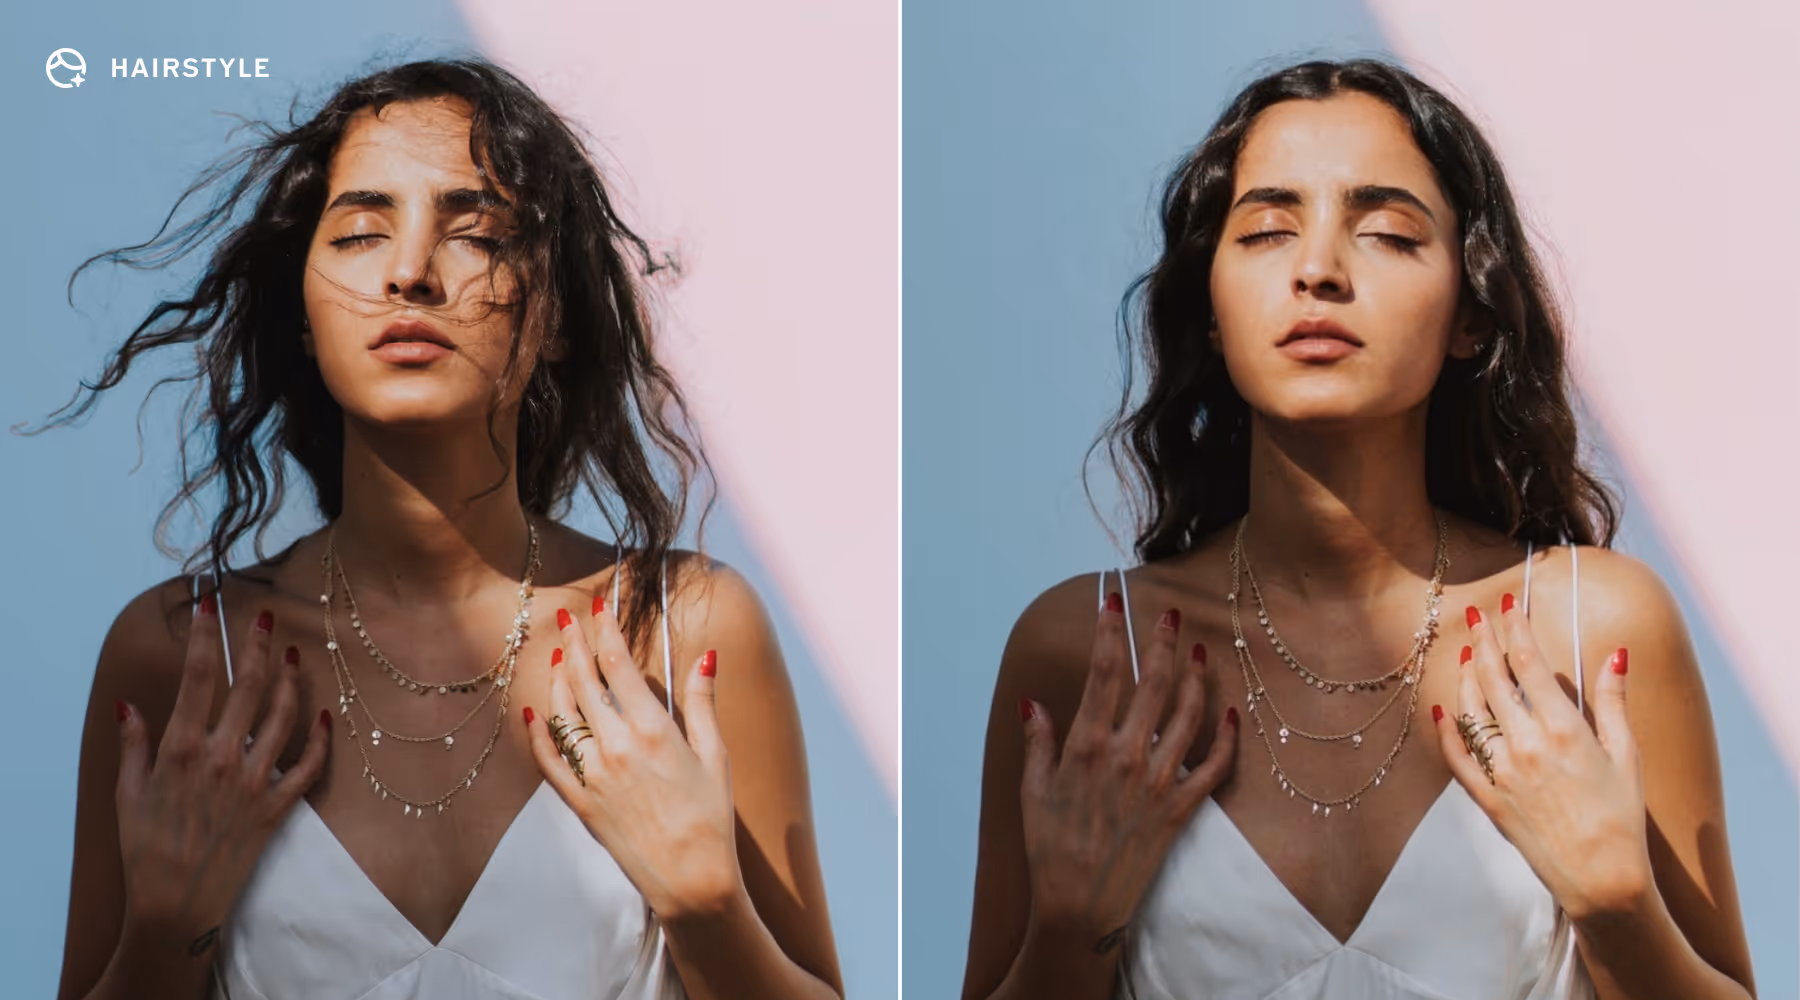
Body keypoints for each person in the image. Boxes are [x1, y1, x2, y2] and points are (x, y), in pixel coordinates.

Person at [46, 58, 843, 1000]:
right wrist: (164, 935)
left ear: (554, 313)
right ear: (303, 310)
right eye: (360, 233)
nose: (411, 273)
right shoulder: (188, 657)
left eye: (478, 233)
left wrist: (711, 910)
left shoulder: (677, 636)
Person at [960, 59, 1755, 1000]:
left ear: (1469, 311)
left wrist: (1621, 909)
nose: (1318, 270)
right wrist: (1069, 930)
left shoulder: (1593, 636)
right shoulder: (1094, 655)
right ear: (1210, 310)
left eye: (1384, 233)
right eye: (1264, 231)